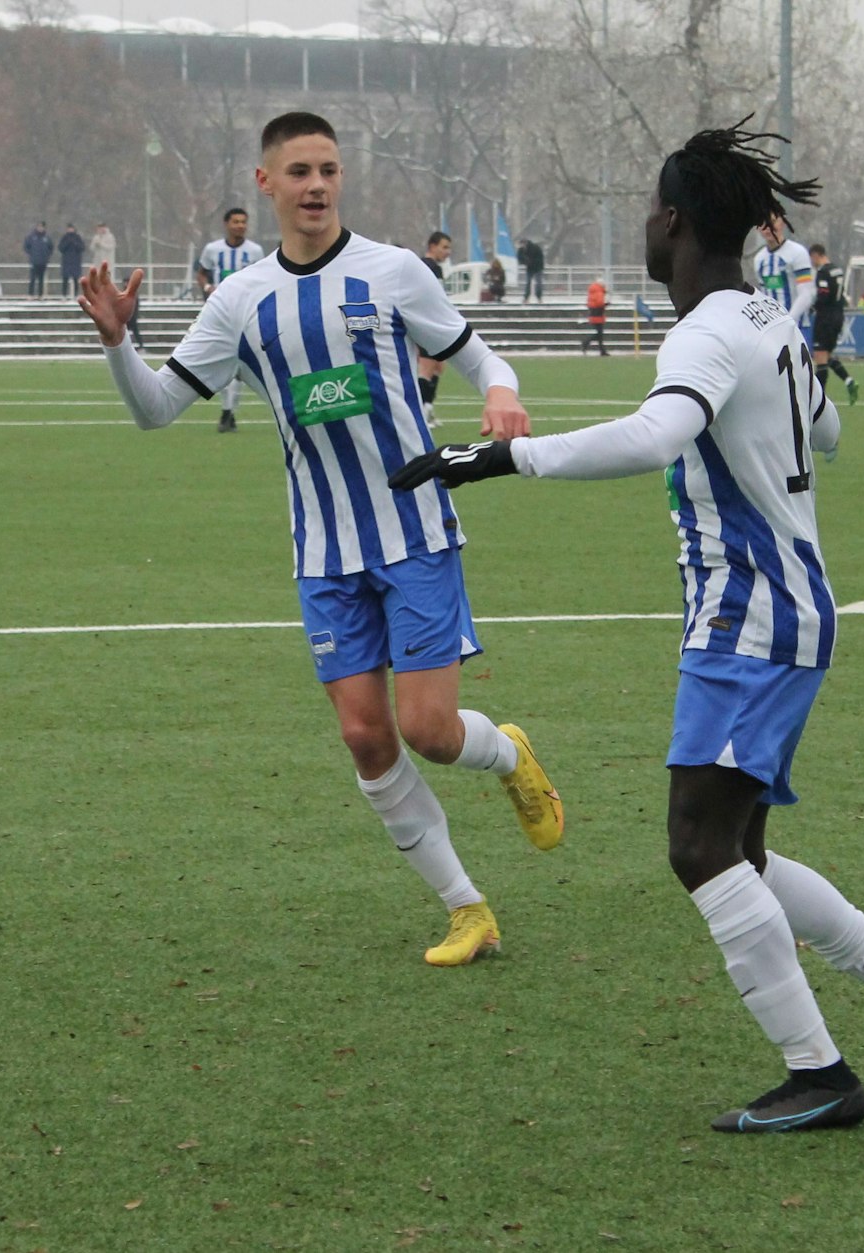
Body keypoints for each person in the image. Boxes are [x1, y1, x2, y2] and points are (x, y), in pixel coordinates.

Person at [389, 120, 864, 1135]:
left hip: (749, 612)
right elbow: (827, 432)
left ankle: (818, 1072)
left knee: (697, 845)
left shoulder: (707, 326)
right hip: (784, 605)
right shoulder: (763, 319)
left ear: (668, 220)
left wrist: (499, 460)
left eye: (647, 212)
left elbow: (659, 431)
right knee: (735, 847)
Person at [75, 111, 564, 969]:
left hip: (412, 530)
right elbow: (155, 410)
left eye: (329, 170)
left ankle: (508, 750)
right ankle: (468, 908)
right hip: (322, 550)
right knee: (366, 738)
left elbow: (481, 355)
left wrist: (501, 395)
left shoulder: (394, 272)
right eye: (297, 171)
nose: (315, 186)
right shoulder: (239, 300)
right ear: (265, 185)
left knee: (430, 730)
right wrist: (120, 344)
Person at [195, 207, 268, 433]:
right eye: (236, 222)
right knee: (225, 361)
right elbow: (202, 272)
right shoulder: (212, 249)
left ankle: (228, 413)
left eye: (243, 222)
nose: (240, 226)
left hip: (245, 313)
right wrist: (207, 287)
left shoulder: (255, 251)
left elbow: (263, 278)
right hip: (219, 312)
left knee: (239, 363)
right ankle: (228, 413)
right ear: (227, 224)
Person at [807, 244, 857, 405]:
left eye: (811, 258)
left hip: (825, 318)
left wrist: (813, 307)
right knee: (826, 355)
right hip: (838, 316)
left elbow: (823, 294)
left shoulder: (823, 272)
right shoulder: (838, 270)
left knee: (820, 357)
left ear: (816, 255)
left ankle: (817, 401)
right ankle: (849, 380)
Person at [753, 212, 814, 340]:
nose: (768, 227)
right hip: (771, 330)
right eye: (763, 223)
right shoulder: (759, 259)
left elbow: (806, 294)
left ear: (783, 222)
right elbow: (764, 295)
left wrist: (788, 321)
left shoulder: (797, 253)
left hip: (797, 327)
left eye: (773, 221)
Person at [416, 231, 453, 428]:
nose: (448, 252)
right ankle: (420, 412)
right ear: (432, 246)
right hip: (427, 325)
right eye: (444, 247)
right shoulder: (430, 267)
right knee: (427, 369)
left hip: (431, 324)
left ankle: (427, 408)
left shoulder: (427, 266)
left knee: (439, 366)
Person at [57, 223, 87, 298]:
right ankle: (64, 295)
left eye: (71, 228)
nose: (70, 230)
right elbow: (60, 248)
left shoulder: (77, 237)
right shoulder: (64, 237)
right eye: (69, 228)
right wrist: (67, 243)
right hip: (66, 261)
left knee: (75, 279)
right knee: (65, 279)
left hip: (75, 261)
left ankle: (75, 295)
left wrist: (75, 243)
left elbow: (82, 248)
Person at [23, 222, 52, 297]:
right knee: (32, 279)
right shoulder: (32, 237)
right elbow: (26, 246)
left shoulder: (47, 238)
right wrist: (31, 254)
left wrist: (46, 256)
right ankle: (31, 294)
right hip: (34, 261)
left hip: (43, 262)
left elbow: (51, 248)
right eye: (39, 227)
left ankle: (40, 295)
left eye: (42, 227)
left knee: (41, 280)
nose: (40, 228)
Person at [583, 278, 609, 354]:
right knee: (599, 334)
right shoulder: (599, 292)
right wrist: (606, 304)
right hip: (598, 315)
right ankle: (585, 343)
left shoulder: (593, 291)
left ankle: (602, 350)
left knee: (599, 334)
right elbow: (600, 303)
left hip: (593, 314)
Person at [518, 237, 545, 303]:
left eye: (523, 244)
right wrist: (525, 261)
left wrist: (531, 262)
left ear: (526, 243)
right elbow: (520, 258)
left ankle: (539, 297)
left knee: (538, 283)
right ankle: (526, 298)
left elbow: (540, 258)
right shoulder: (521, 250)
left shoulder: (535, 248)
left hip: (537, 267)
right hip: (530, 268)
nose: (522, 246)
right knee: (528, 283)